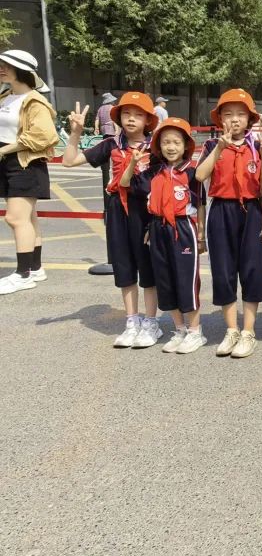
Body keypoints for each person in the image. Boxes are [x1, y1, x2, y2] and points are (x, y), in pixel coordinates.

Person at [63, 91, 160, 347]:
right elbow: (69, 161)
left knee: (148, 270)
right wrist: (75, 133)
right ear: (117, 117)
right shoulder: (111, 144)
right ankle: (131, 321)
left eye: (138, 115)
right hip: (118, 209)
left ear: (148, 120)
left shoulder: (157, 147)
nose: (131, 119)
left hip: (147, 212)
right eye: (126, 113)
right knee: (124, 267)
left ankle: (151, 322)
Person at [195, 89, 262, 359]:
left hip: (252, 211)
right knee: (223, 271)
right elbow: (200, 175)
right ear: (219, 119)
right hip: (221, 211)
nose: (234, 120)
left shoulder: (258, 147)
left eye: (240, 115)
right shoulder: (212, 146)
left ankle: (248, 332)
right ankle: (231, 329)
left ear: (249, 119)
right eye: (228, 114)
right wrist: (221, 148)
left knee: (251, 269)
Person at [125, 118, 206, 354]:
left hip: (183, 228)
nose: (171, 147)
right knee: (165, 280)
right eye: (166, 142)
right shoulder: (153, 172)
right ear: (158, 146)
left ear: (186, 145)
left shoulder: (192, 173)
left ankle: (194, 331)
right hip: (158, 228)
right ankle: (179, 328)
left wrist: (200, 235)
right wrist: (132, 163)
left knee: (186, 281)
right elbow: (125, 182)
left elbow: (201, 204)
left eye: (176, 142)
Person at [0, 50, 58, 294]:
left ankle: (23, 274)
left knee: (15, 218)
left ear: (21, 70)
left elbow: (44, 135)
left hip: (24, 163)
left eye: (6, 65)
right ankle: (34, 268)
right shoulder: (7, 95)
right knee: (28, 217)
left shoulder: (35, 101)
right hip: (9, 162)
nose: (1, 68)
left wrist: (7, 149)